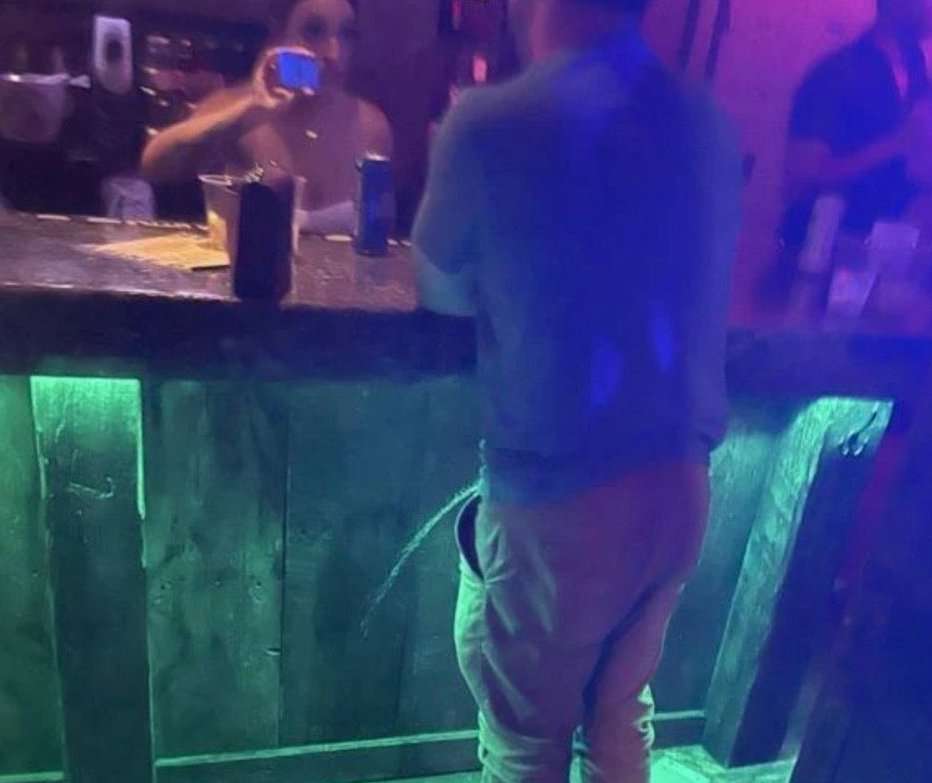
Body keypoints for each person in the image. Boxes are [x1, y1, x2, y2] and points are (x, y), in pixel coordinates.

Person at [413, 0, 742, 780]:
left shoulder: (488, 121)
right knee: (619, 712)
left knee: (527, 738)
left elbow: (439, 289)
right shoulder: (706, 119)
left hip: (563, 502)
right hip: (681, 485)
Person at [140, 0, 392, 234]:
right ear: (278, 38)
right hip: (244, 267)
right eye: (313, 31)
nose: (334, 54)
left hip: (339, 270)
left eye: (347, 34)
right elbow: (154, 167)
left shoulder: (371, 126)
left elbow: (379, 235)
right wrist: (249, 111)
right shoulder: (237, 107)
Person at [782, 0, 932, 250]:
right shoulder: (836, 74)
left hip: (883, 253)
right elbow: (802, 175)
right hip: (820, 251)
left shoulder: (917, 75)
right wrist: (897, 143)